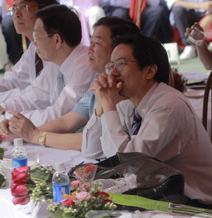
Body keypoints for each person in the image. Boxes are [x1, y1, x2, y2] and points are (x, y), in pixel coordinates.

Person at [82, 33, 212, 216]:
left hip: (197, 206)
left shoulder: (168, 106)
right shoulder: (127, 101)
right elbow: (91, 150)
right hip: (161, 193)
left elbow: (128, 163)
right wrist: (102, 107)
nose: (113, 73)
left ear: (150, 71)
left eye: (122, 64)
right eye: (111, 65)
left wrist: (109, 106)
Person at [0, 17, 140, 150]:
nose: (89, 49)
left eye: (96, 43)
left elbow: (95, 142)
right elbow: (67, 121)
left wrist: (34, 135)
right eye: (90, 42)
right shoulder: (100, 78)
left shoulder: (124, 88)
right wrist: (23, 131)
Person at [0, 4, 93, 127]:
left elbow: (60, 115)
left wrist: (9, 118)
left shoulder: (85, 65)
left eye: (37, 37)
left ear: (56, 40)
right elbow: (34, 97)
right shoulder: (55, 62)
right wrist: (4, 111)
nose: (34, 43)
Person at [0, 0, 58, 92]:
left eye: (23, 7)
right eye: (14, 9)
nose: (16, 14)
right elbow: (13, 81)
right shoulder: (33, 50)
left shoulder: (58, 47)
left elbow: (42, 98)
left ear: (44, 9)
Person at [1, 0, 53, 67]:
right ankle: (15, 60)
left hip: (42, 14)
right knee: (8, 23)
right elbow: (7, 6)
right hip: (13, 21)